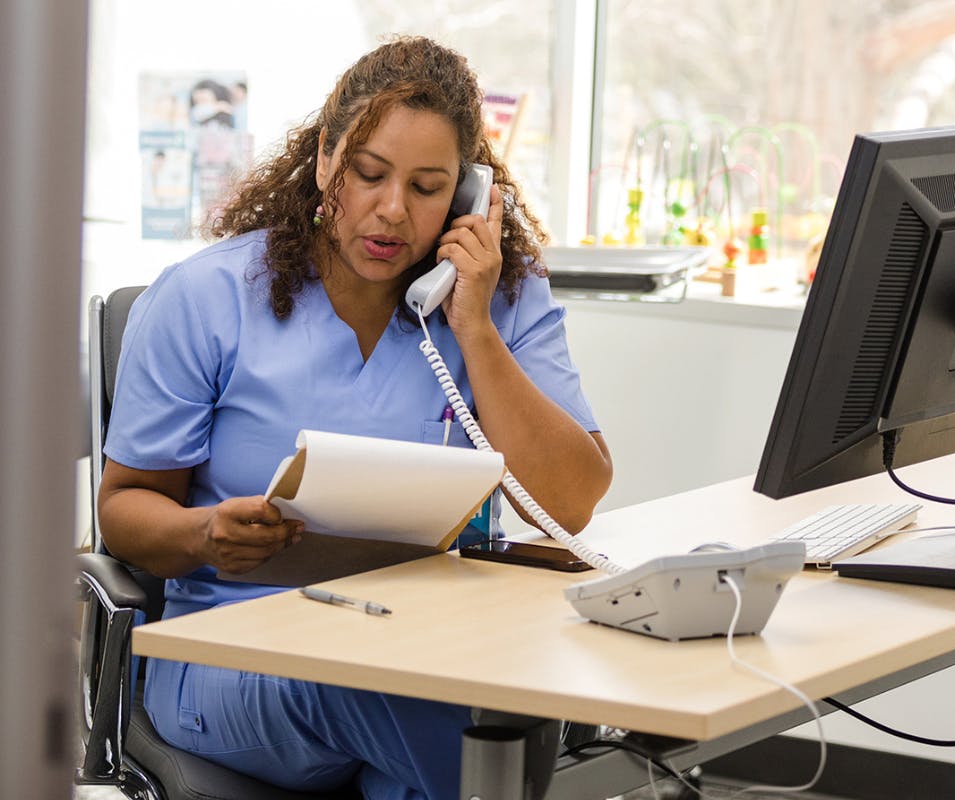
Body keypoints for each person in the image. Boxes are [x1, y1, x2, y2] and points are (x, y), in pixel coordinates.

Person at [99, 35, 613, 799]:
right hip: (235, 660)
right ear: (323, 162)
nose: (393, 210)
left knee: (464, 701)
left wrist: (473, 328)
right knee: (445, 714)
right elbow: (124, 510)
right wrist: (206, 533)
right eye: (368, 174)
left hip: (428, 641)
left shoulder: (498, 298)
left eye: (429, 186)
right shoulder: (206, 298)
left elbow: (570, 502)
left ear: (469, 195)